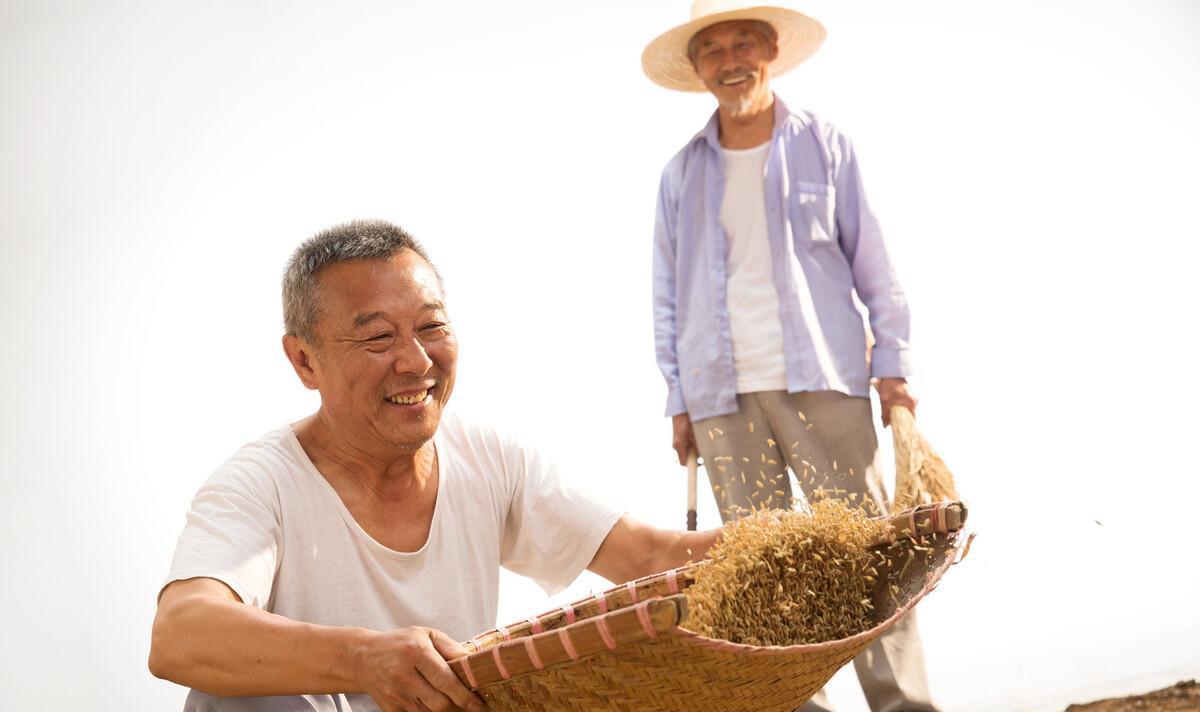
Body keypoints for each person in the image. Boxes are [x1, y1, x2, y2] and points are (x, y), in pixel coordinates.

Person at [149, 220, 721, 712]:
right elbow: (180, 633)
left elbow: (652, 558)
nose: (416, 361)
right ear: (304, 360)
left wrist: (796, 543)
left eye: (431, 327)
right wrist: (364, 659)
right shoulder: (260, 484)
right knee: (233, 699)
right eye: (377, 338)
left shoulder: (490, 459)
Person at [642, 2, 937, 711]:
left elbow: (873, 262)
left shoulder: (825, 146)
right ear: (697, 67)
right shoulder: (680, 174)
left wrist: (892, 365)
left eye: (745, 41)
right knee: (766, 579)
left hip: (826, 381)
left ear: (772, 49)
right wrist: (679, 399)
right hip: (722, 400)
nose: (730, 58)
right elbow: (666, 294)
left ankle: (904, 706)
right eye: (713, 48)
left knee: (870, 557)